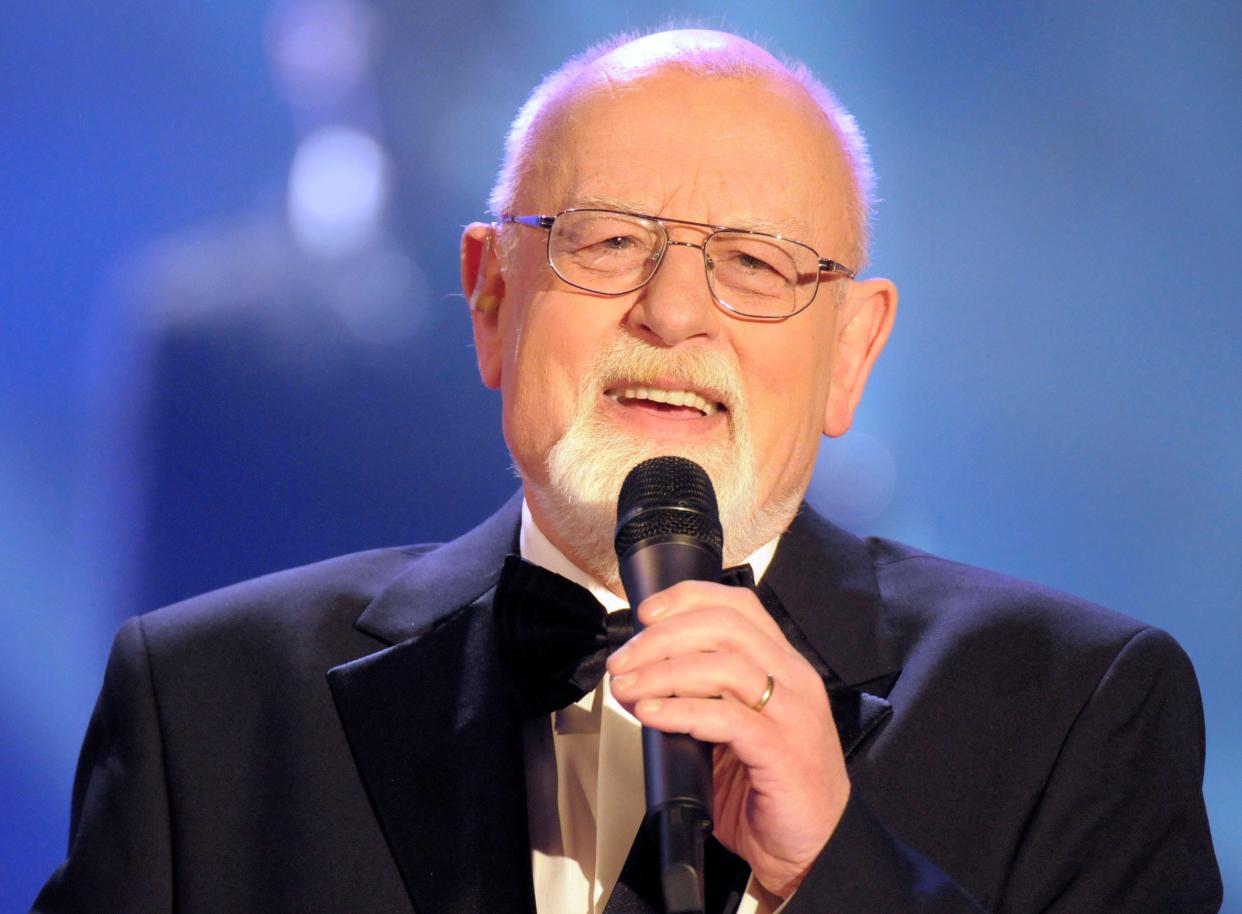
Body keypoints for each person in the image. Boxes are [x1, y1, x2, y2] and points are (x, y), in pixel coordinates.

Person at [33, 28, 1221, 914]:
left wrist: (832, 870)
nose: (670, 310)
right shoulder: (206, 706)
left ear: (851, 352)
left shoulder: (1080, 709)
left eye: (755, 265)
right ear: (493, 299)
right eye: (607, 243)